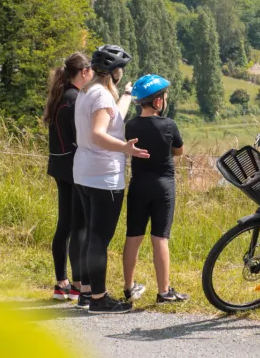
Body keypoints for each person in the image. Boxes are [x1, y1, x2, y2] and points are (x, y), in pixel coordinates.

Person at [73, 44, 149, 314]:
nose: (122, 73)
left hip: (84, 172)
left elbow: (114, 115)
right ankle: (99, 299)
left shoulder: (88, 92)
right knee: (99, 239)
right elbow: (98, 133)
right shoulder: (101, 97)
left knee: (90, 235)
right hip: (103, 175)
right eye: (121, 69)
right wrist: (126, 149)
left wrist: (127, 94)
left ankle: (85, 293)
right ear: (113, 71)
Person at [123, 74, 189, 303]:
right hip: (163, 185)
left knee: (133, 236)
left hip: (138, 185)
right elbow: (179, 151)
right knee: (160, 237)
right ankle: (163, 291)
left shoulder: (130, 125)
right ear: (158, 101)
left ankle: (129, 287)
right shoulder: (169, 124)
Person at [45, 52, 93, 303]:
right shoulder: (75, 99)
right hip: (73, 168)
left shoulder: (61, 96)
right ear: (84, 72)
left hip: (58, 165)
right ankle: (77, 284)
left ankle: (60, 282)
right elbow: (82, 135)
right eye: (91, 70)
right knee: (79, 226)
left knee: (64, 224)